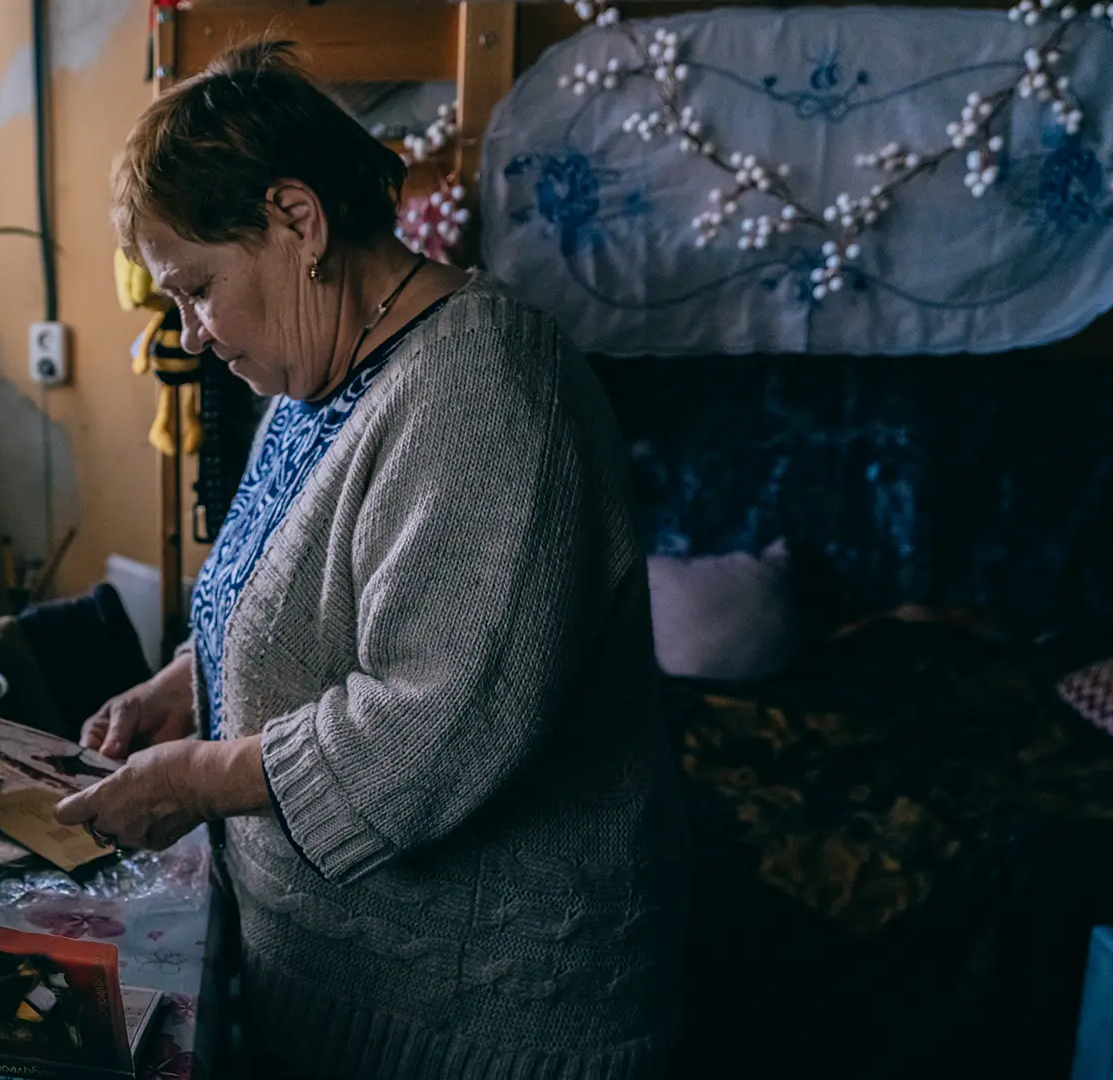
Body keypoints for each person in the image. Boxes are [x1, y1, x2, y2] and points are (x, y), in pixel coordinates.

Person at [54, 40, 689, 1080]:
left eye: (198, 287)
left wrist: (199, 779)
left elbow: (433, 728)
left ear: (297, 221)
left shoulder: (486, 385)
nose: (193, 333)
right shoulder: (317, 376)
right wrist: (190, 683)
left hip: (479, 1028)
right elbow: (295, 600)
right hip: (328, 984)